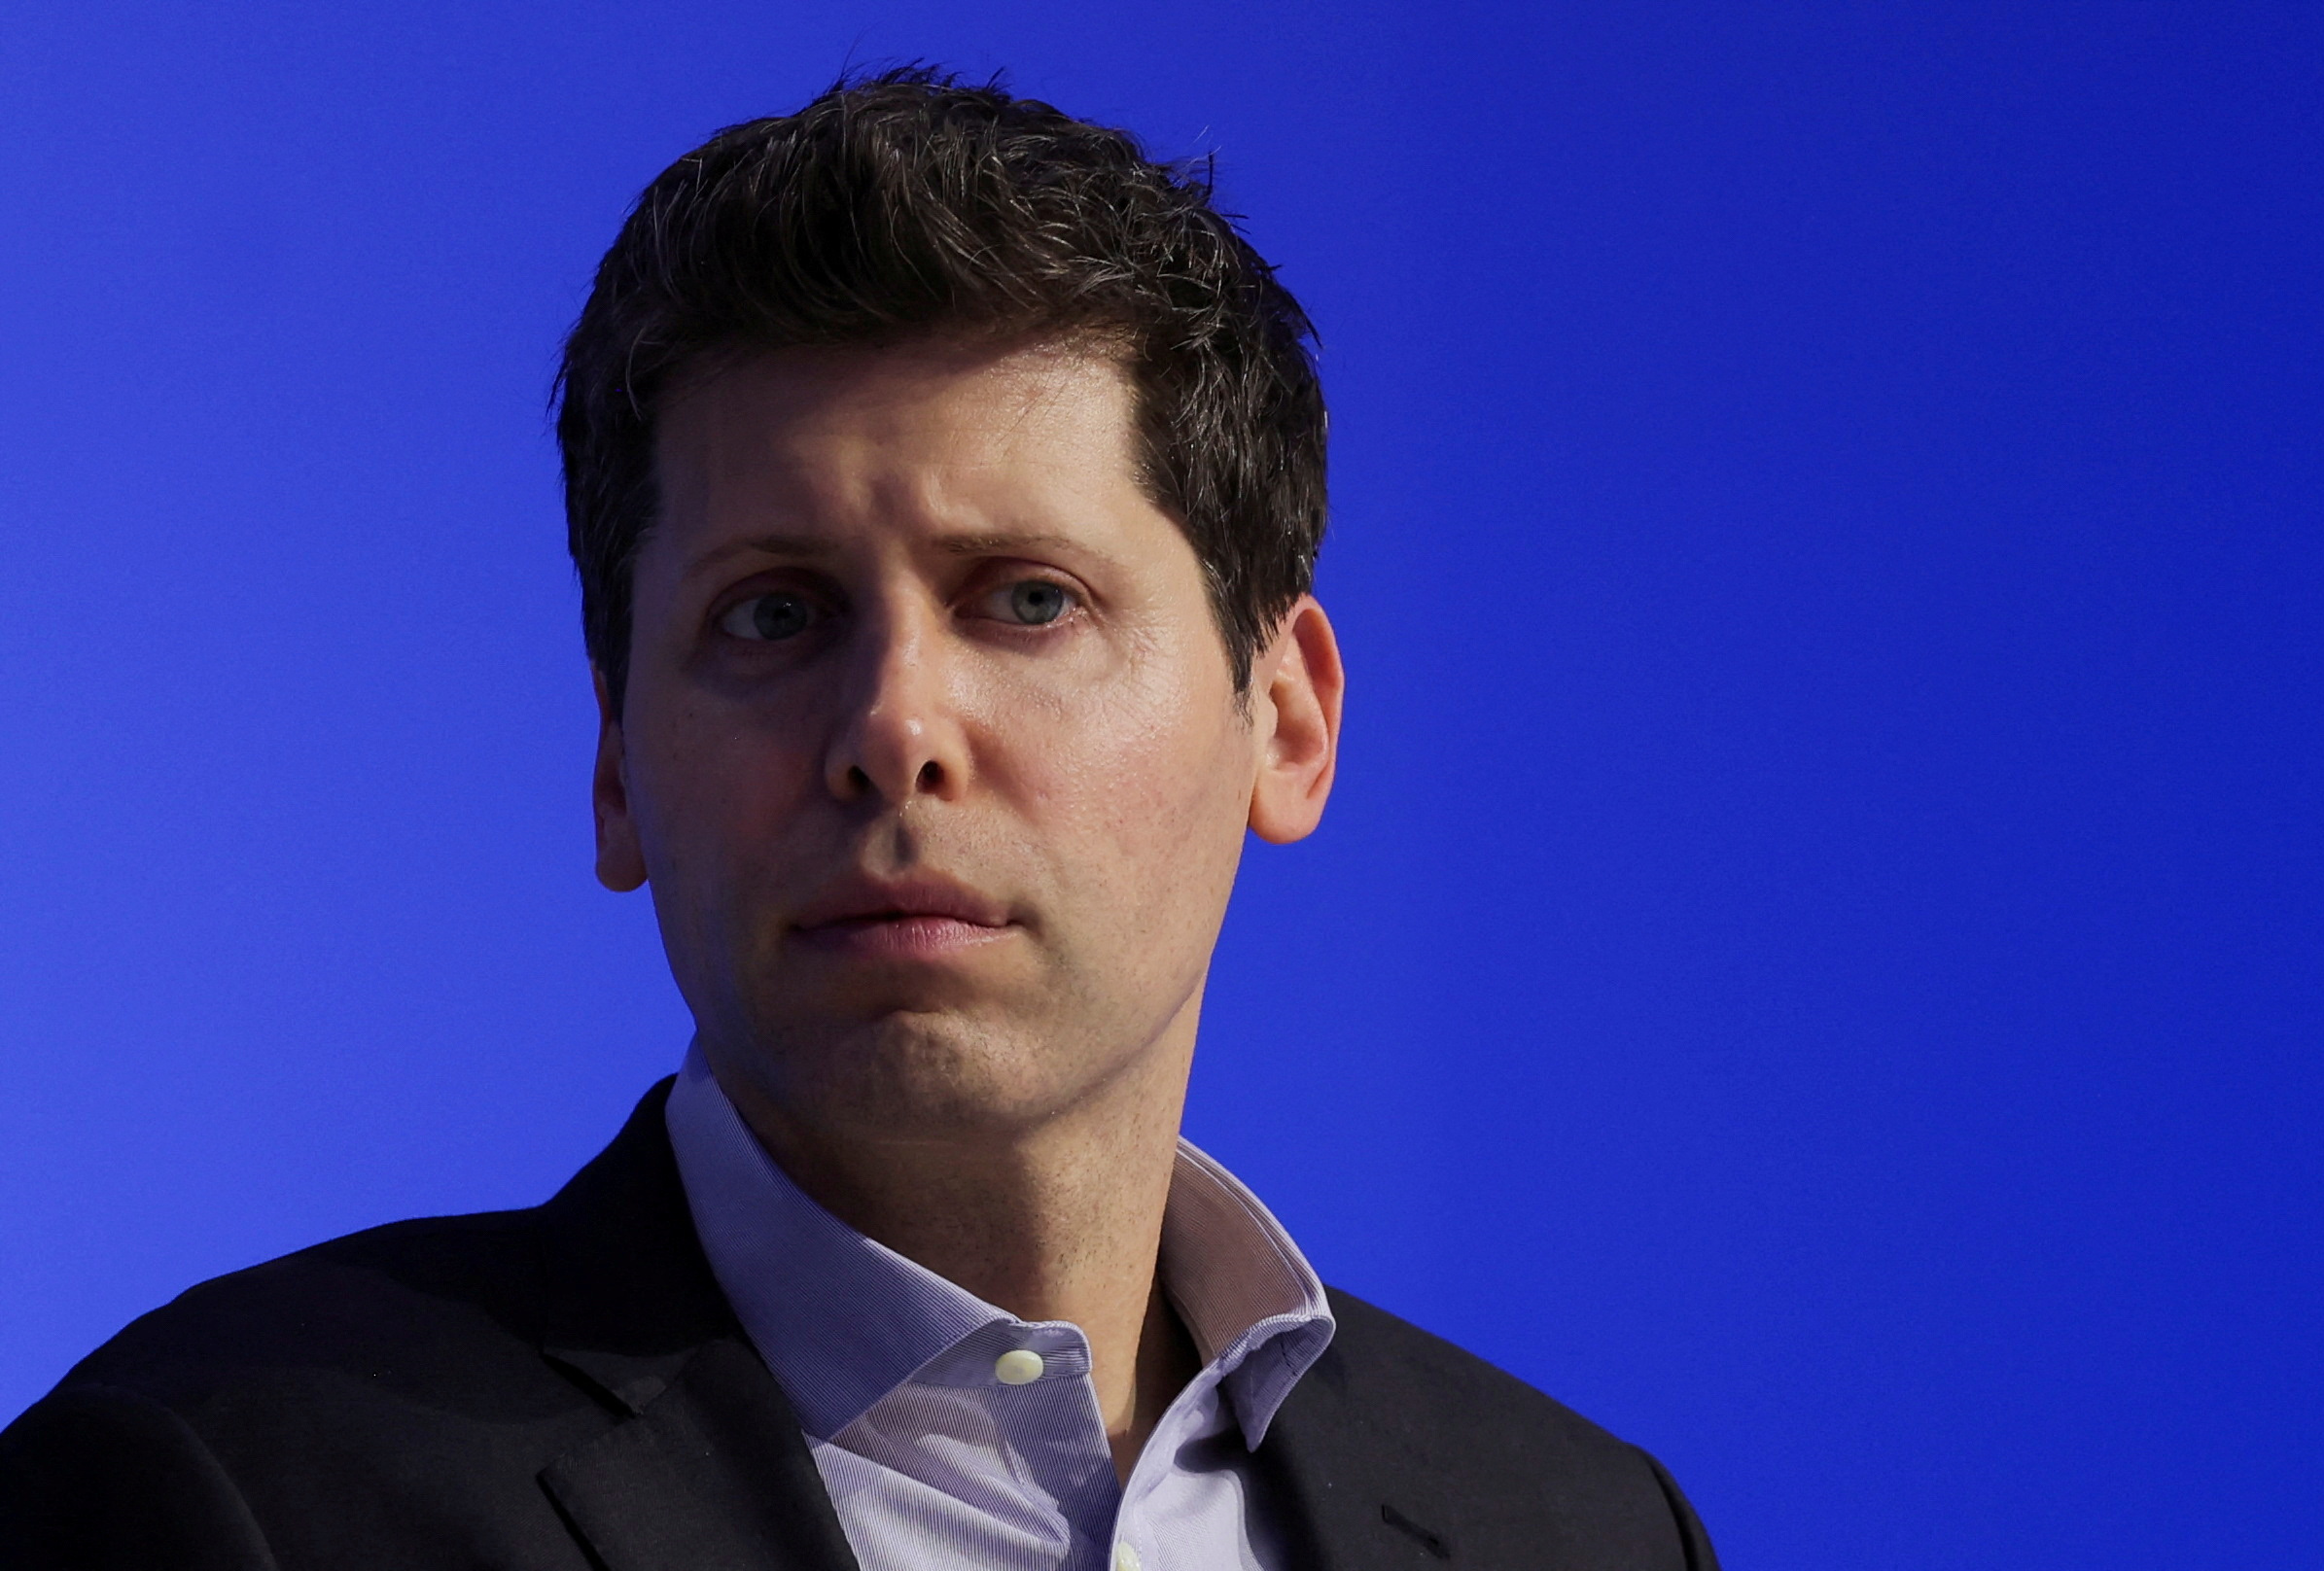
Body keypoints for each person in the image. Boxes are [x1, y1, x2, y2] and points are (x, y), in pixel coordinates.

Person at [0, 69, 1720, 1571]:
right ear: (616, 765)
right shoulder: (222, 1496)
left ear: (1287, 717)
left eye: (1028, 601)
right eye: (772, 614)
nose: (893, 729)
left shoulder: (1583, 1529)